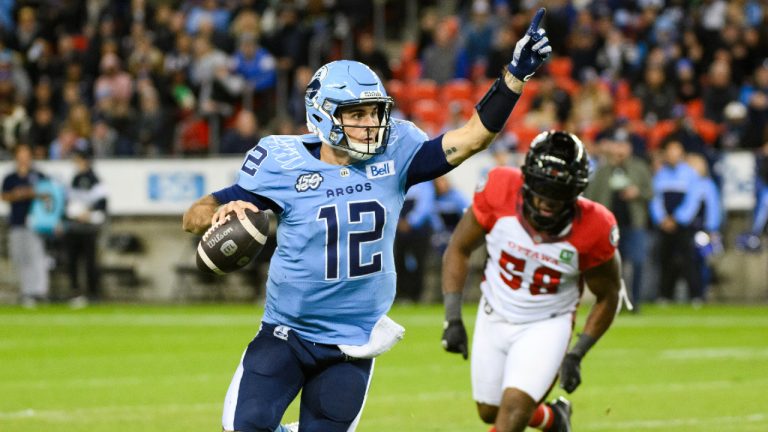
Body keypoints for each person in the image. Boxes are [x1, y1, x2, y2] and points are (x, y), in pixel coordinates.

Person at [182, 9, 552, 432]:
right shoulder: (279, 163)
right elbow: (194, 215)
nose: (370, 124)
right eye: (356, 115)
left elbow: (472, 137)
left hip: (352, 343)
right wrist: (219, 212)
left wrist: (514, 78)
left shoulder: (396, 153)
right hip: (287, 333)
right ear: (322, 115)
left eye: (374, 112)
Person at [441, 131, 622, 432]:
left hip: (546, 324)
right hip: (494, 313)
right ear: (527, 180)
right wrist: (452, 318)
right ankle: (554, 419)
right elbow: (458, 248)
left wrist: (577, 353)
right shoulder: (499, 190)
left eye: (558, 195)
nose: (547, 204)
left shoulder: (595, 227)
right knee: (489, 411)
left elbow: (609, 295)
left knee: (511, 413)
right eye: (541, 191)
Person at [585, 133, 653, 311]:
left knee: (637, 262)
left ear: (629, 148)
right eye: (617, 145)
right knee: (612, 268)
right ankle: (613, 301)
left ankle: (635, 301)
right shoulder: (602, 171)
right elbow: (590, 198)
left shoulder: (639, 168)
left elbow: (651, 193)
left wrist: (637, 192)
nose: (620, 150)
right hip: (610, 228)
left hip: (634, 223)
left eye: (624, 145)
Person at [650, 139, 702, 304]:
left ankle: (695, 295)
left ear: (682, 155)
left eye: (676, 152)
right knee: (665, 260)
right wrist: (662, 219)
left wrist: (678, 218)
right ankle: (665, 295)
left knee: (688, 260)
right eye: (670, 152)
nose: (672, 156)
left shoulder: (690, 174)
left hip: (683, 225)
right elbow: (655, 199)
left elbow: (693, 200)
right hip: (665, 225)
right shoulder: (660, 175)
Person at [1, 144, 50, 308]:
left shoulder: (38, 175)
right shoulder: (11, 177)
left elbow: (48, 193)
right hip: (17, 221)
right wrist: (16, 195)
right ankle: (27, 291)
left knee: (36, 256)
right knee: (20, 257)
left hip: (35, 223)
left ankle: (40, 291)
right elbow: (4, 196)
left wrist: (31, 193)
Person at [64, 148, 108, 307]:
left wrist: (88, 215)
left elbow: (102, 208)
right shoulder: (75, 178)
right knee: (73, 261)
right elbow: (68, 204)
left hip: (89, 229)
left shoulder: (94, 180)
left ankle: (92, 293)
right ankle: (75, 291)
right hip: (74, 227)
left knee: (90, 262)